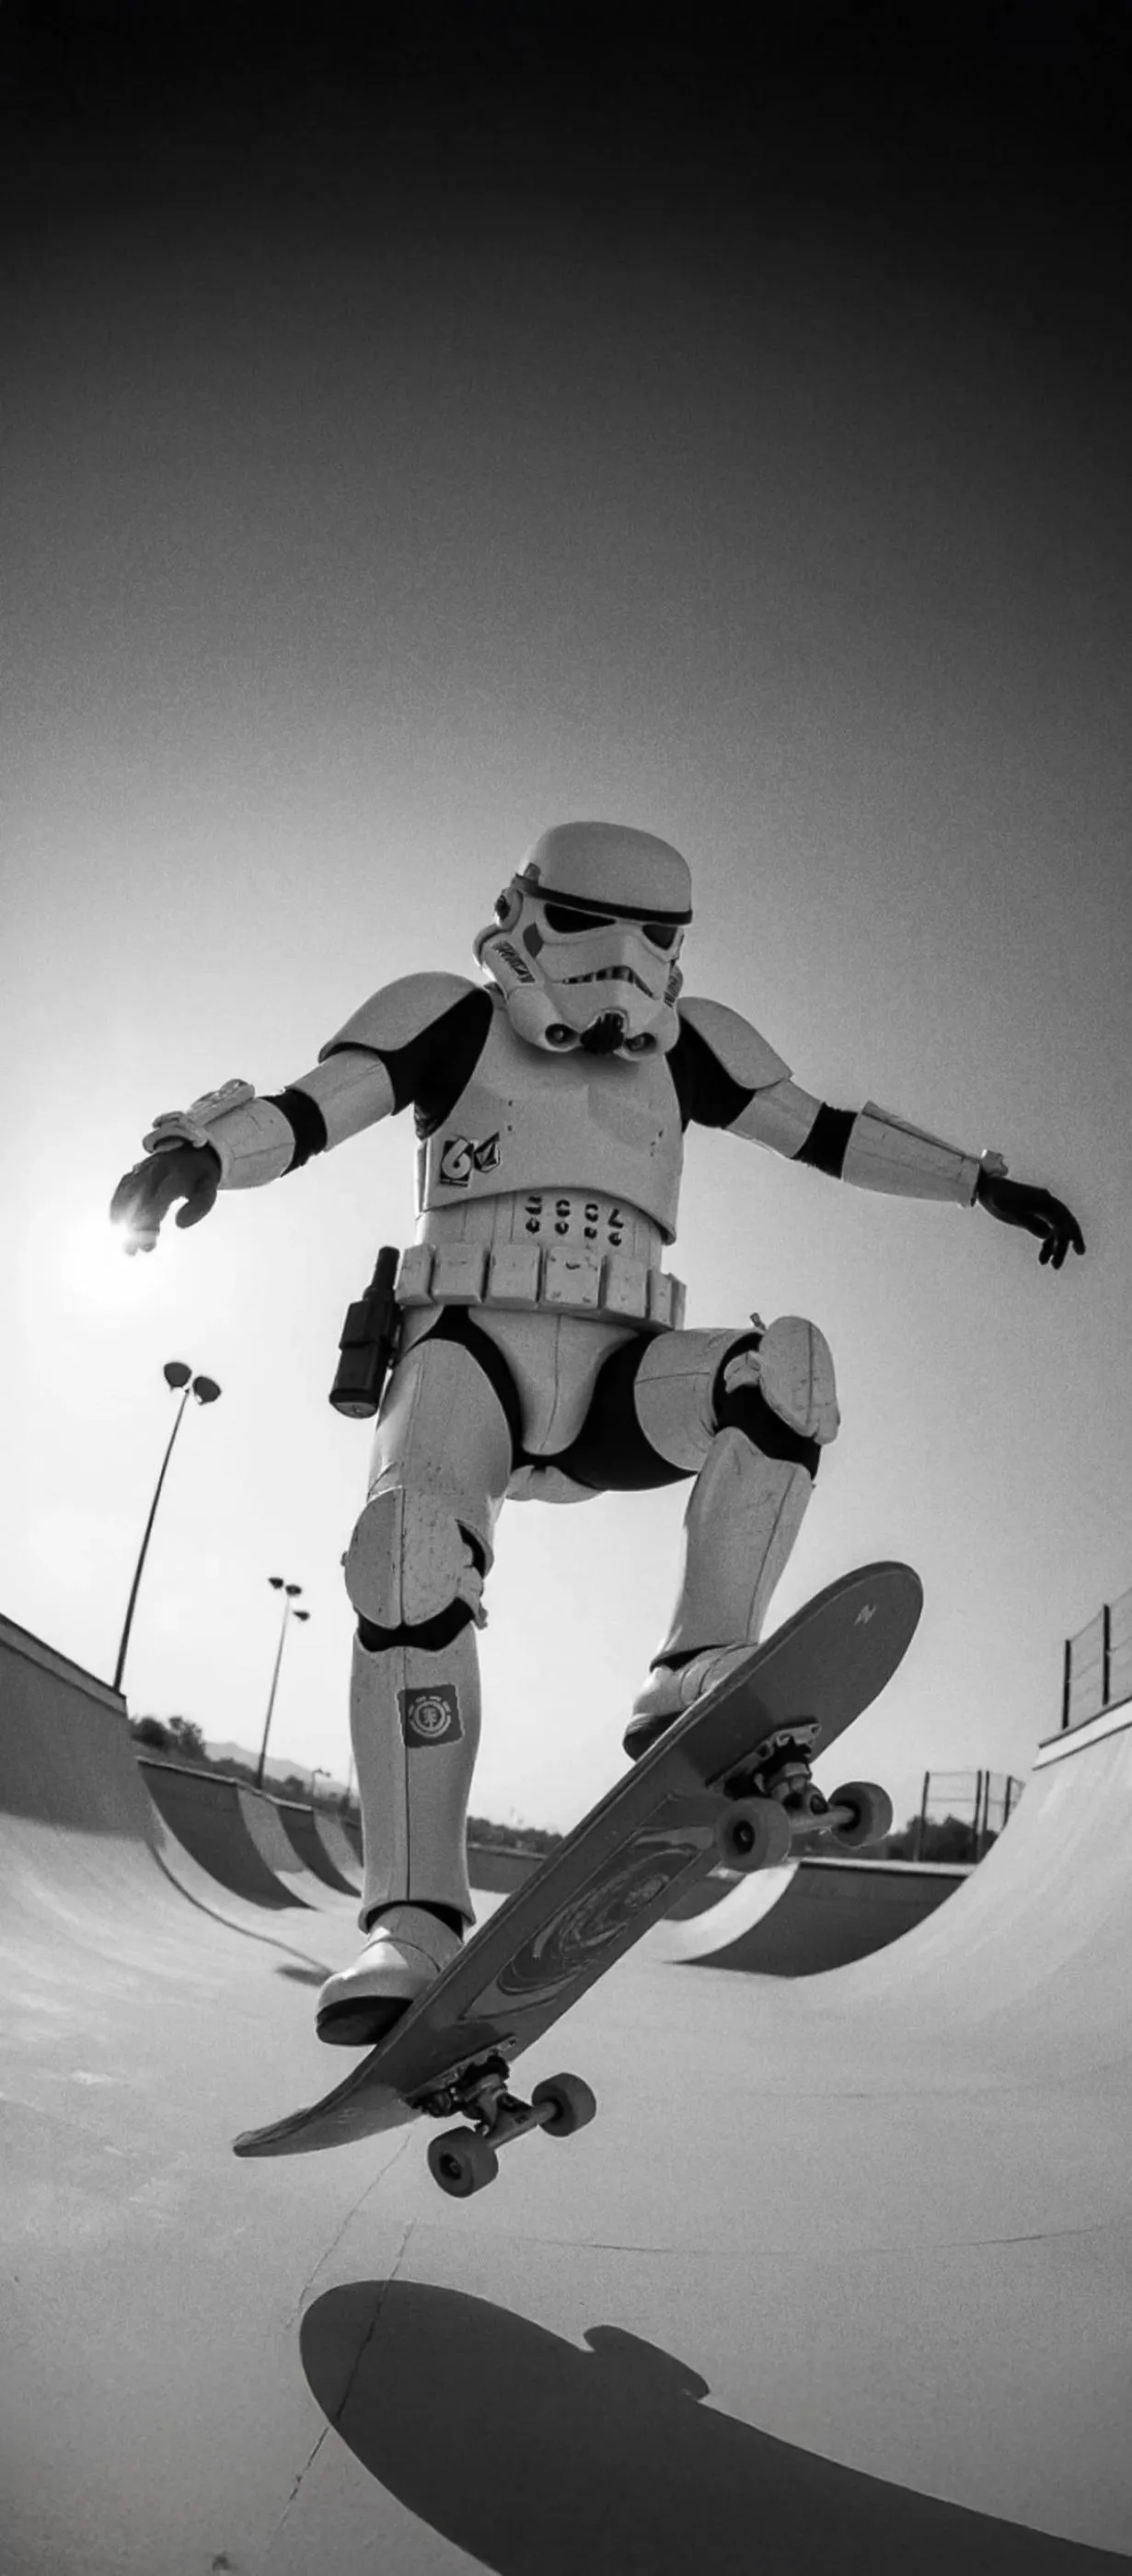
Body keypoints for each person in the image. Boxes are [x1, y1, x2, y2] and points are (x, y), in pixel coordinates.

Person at [110, 821, 1085, 2044]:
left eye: (655, 939)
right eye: (586, 925)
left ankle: (696, 1668)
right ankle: (409, 1924)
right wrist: (208, 1150)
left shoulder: (695, 1057)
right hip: (468, 1354)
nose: (620, 963)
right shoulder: (448, 1018)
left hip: (623, 1378)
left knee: (783, 1372)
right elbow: (317, 1108)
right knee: (408, 1551)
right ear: (522, 914)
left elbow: (826, 1132)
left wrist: (973, 1181)